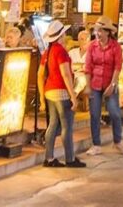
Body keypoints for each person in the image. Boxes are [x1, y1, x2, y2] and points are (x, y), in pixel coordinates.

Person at [39, 20, 84, 168]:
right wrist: (73, 95)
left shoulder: (47, 52)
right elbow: (66, 74)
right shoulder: (61, 51)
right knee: (67, 126)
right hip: (61, 92)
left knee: (52, 124)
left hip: (49, 91)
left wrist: (41, 97)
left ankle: (49, 158)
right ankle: (70, 158)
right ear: (61, 35)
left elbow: (40, 74)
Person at [84, 20, 123, 156]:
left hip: (110, 83)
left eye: (101, 31)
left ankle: (118, 141)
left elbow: (117, 66)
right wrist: (87, 86)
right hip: (95, 83)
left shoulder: (116, 47)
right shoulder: (92, 46)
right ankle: (96, 144)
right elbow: (88, 67)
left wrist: (113, 84)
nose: (98, 33)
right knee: (94, 114)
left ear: (108, 32)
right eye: (97, 30)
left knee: (115, 112)